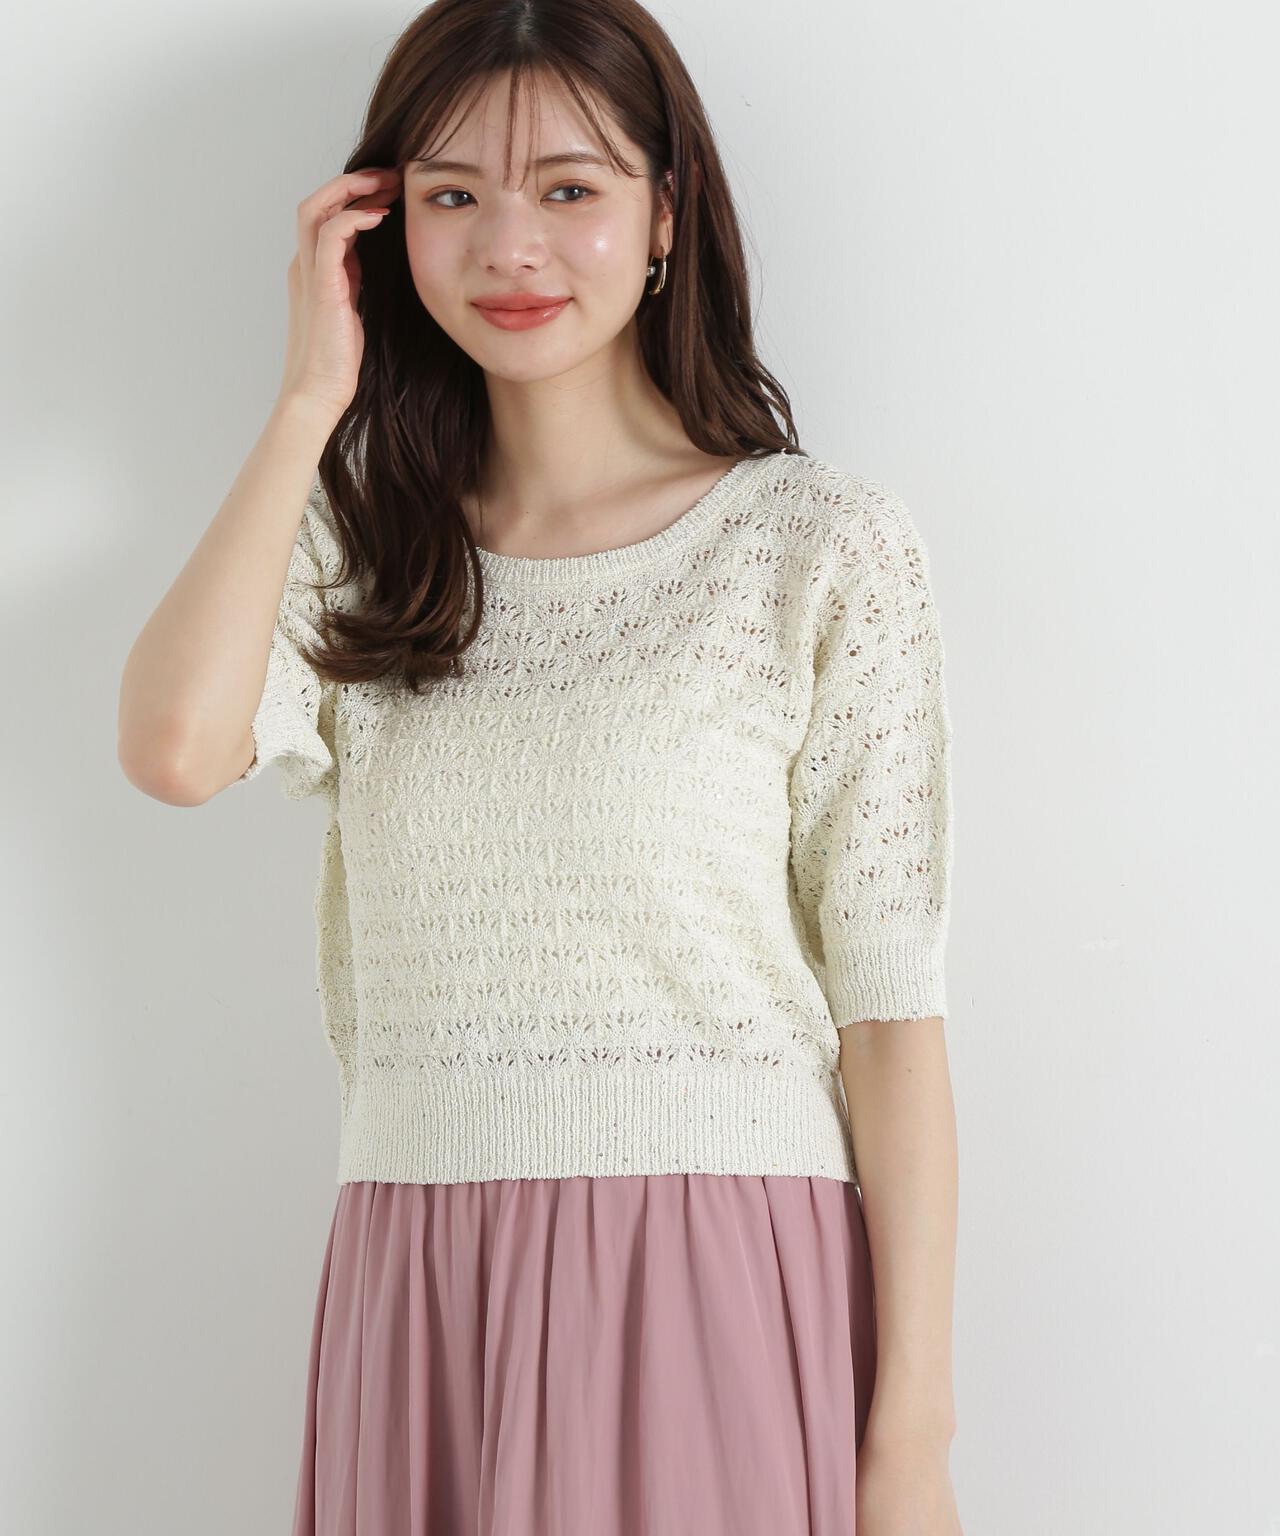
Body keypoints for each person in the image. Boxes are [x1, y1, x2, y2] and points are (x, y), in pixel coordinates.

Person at [118, 2, 963, 1531]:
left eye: (570, 188)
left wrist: (911, 1444)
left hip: (715, 1274)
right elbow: (175, 750)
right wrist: (308, 401)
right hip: (422, 1276)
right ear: (385, 229)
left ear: (667, 214)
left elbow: (892, 1018)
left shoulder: (815, 548)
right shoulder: (365, 556)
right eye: (453, 194)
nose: (511, 245)